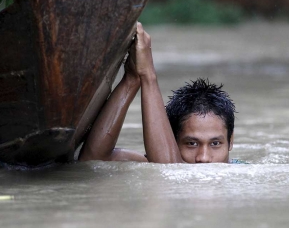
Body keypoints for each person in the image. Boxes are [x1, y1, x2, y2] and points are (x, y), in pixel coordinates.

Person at [78, 22, 236, 164]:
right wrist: (132, 79)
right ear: (171, 140)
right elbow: (93, 161)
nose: (203, 157)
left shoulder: (241, 176)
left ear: (231, 141)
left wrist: (148, 74)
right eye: (191, 143)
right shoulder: (158, 160)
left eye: (215, 143)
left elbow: (169, 171)